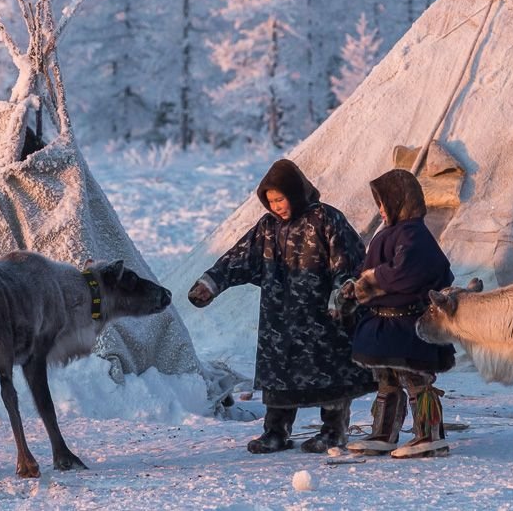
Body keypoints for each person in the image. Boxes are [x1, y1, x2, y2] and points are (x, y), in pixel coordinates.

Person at [187, 159, 374, 453]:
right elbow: (240, 257)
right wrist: (211, 283)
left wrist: (341, 295)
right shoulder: (268, 228)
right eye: (270, 201)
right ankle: (275, 432)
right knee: (279, 376)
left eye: (280, 199)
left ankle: (334, 431)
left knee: (330, 374)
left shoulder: (326, 219)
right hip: (280, 319)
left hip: (323, 319)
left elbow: (347, 260)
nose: (276, 206)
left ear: (295, 193)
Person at [344, 168, 456, 458]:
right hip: (384, 324)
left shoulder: (414, 235)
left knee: (416, 380)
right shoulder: (391, 233)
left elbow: (407, 270)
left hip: (408, 325)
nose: (380, 210)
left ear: (400, 201)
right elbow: (370, 267)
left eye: (383, 203)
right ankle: (384, 432)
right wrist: (353, 284)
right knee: (387, 380)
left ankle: (429, 435)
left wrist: (370, 282)